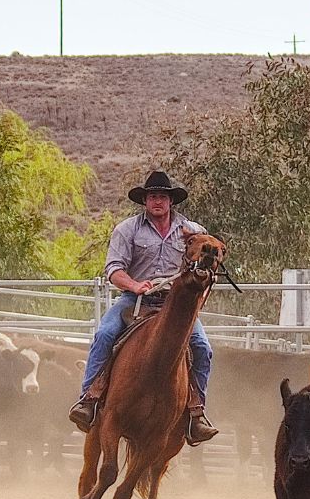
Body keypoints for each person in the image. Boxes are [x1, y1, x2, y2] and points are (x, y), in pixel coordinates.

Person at [68, 170, 218, 444]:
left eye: (162, 196)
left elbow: (209, 261)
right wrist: (135, 285)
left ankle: (196, 413)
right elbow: (114, 270)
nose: (157, 201)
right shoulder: (127, 230)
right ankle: (88, 399)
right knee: (104, 334)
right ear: (145, 201)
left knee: (203, 349)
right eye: (152, 197)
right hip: (135, 300)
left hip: (176, 307)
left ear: (171, 200)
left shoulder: (194, 233)